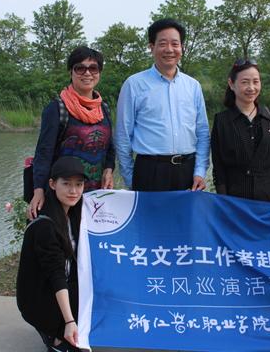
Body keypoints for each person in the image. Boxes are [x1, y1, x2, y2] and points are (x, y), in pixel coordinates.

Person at [115, 18, 209, 192]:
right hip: (149, 172)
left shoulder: (193, 86)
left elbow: (202, 132)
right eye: (163, 44)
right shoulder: (134, 84)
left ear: (182, 48)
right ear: (152, 47)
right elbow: (123, 135)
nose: (169, 50)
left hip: (187, 172)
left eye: (175, 44)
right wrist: (130, 178)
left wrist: (200, 171)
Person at [28, 46, 115, 219]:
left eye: (93, 68)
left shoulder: (103, 108)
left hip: (95, 197)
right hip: (63, 196)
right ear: (71, 72)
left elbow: (110, 147)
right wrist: (38, 190)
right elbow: (44, 153)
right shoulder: (57, 109)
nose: (87, 73)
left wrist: (109, 169)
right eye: (80, 68)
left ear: (99, 72)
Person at [17, 156, 86, 352]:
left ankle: (66, 325)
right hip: (40, 295)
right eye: (66, 184)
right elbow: (56, 274)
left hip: (63, 284)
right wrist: (70, 321)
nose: (73, 191)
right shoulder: (45, 225)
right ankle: (53, 332)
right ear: (52, 184)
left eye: (79, 184)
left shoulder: (75, 214)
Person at [211, 58, 270, 207]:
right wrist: (223, 199)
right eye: (245, 82)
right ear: (231, 84)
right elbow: (218, 165)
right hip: (235, 200)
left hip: (269, 198)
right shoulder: (221, 121)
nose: (251, 87)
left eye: (256, 81)